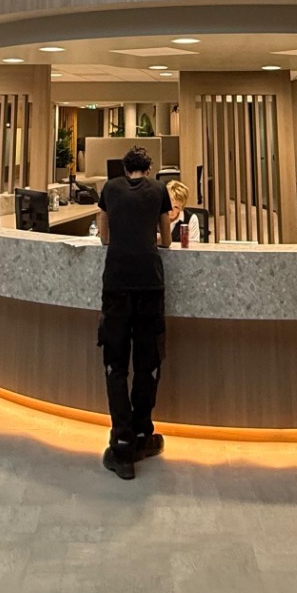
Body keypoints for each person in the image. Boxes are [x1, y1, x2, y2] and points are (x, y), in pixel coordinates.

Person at [95, 147, 177, 479]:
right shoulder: (159, 189)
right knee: (148, 362)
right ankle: (143, 433)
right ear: (149, 168)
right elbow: (167, 241)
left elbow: (103, 237)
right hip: (149, 285)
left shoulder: (110, 188)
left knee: (116, 364)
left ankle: (121, 443)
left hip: (117, 285)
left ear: (124, 168)